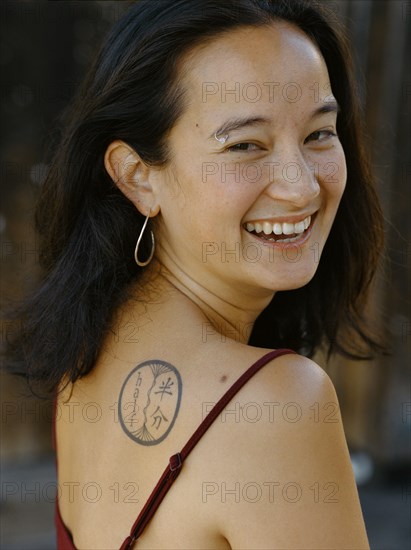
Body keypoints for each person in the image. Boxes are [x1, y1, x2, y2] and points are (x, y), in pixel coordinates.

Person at [6, 0, 385, 548]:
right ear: (138, 177)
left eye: (320, 134)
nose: (302, 186)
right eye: (245, 145)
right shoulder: (278, 404)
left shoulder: (85, 351)